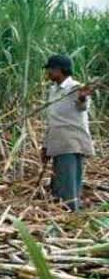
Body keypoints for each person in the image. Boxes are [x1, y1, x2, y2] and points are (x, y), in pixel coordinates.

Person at [41, 54, 94, 212]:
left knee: (68, 184)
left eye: (51, 69)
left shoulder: (76, 88)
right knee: (59, 183)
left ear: (60, 70)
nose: (48, 73)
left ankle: (71, 215)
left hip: (71, 142)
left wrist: (83, 98)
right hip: (57, 142)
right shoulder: (54, 90)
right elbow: (53, 120)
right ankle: (62, 214)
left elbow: (82, 106)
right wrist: (46, 146)